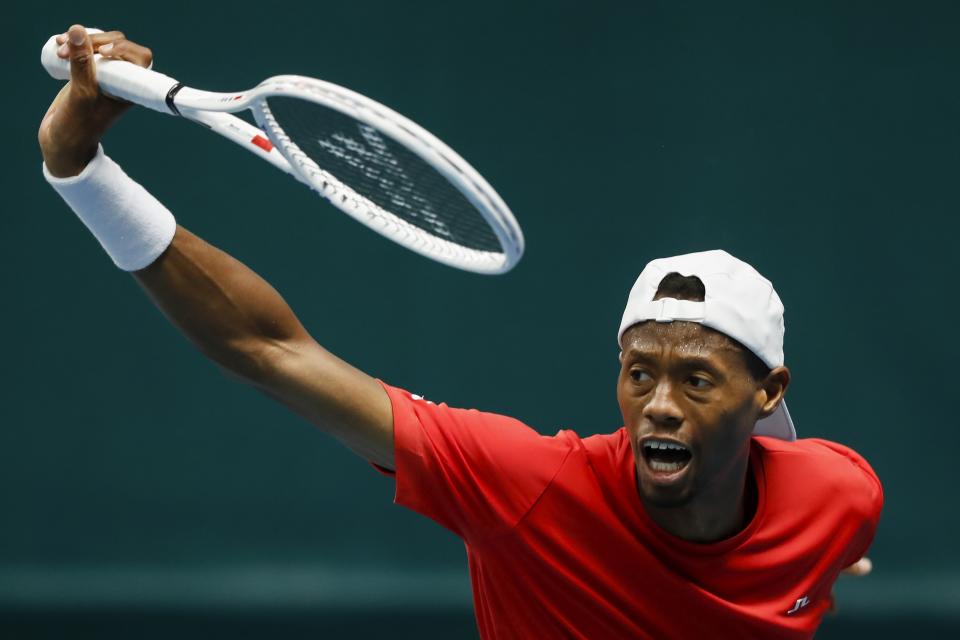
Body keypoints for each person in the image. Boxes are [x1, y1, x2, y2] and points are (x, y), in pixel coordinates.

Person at [39, 25, 882, 640]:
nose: (657, 405)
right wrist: (81, 172)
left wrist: (816, 559)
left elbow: (812, 505)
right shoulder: (527, 488)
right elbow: (268, 350)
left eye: (695, 380)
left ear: (769, 390)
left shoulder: (841, 495)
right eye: (639, 373)